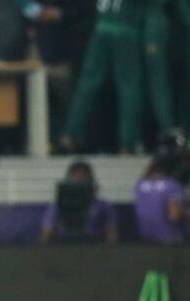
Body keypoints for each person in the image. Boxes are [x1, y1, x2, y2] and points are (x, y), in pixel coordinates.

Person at [59, 0, 145, 153]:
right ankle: (128, 142)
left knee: (87, 84)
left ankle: (70, 134)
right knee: (129, 86)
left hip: (101, 27)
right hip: (125, 28)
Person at [40, 160, 119, 243]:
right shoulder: (56, 205)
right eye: (76, 180)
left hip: (94, 247)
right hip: (63, 248)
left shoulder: (103, 206)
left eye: (84, 179)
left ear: (91, 181)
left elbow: (112, 234)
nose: (80, 182)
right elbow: (47, 234)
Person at [134, 144, 185, 243]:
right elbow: (174, 216)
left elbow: (147, 172)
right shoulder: (172, 186)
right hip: (169, 240)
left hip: (145, 239)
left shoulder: (139, 184)